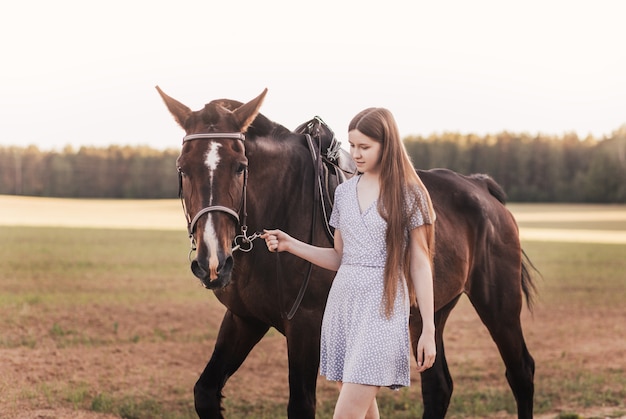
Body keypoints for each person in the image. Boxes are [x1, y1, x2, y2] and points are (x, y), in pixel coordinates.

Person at [262, 107, 436, 419]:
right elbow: (341, 257)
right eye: (352, 145)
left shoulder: (410, 194)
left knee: (346, 415)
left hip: (382, 309)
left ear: (387, 145)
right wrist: (291, 244)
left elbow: (421, 264)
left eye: (364, 147)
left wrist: (428, 329)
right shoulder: (344, 193)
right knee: (363, 411)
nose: (355, 154)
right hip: (342, 307)